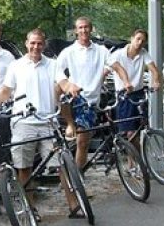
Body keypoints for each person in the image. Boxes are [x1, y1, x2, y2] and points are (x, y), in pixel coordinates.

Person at [0, 28, 81, 219]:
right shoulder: (16, 66)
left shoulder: (52, 64)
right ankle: (30, 208)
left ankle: (74, 204)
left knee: (62, 164)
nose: (36, 47)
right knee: (24, 167)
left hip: (47, 121)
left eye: (39, 43)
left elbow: (63, 82)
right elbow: (6, 91)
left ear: (44, 45)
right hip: (22, 122)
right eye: (32, 43)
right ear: (26, 43)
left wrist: (71, 87)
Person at [56, 17, 131, 170]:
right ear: (76, 31)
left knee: (83, 143)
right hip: (75, 98)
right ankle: (70, 127)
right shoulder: (69, 51)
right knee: (82, 141)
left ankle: (78, 177)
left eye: (86, 27)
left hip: (92, 101)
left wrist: (126, 82)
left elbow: (116, 66)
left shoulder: (101, 51)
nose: (83, 30)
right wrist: (68, 84)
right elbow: (56, 71)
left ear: (91, 29)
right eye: (80, 27)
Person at [108, 29, 161, 143]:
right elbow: (113, 69)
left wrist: (156, 81)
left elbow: (154, 69)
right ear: (132, 38)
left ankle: (137, 157)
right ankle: (133, 158)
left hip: (139, 93)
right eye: (138, 39)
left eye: (143, 41)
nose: (140, 42)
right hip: (124, 95)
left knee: (141, 126)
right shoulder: (118, 54)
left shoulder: (144, 53)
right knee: (129, 131)